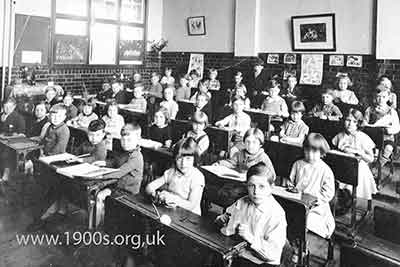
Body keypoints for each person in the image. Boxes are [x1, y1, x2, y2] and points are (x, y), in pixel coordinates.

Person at [216, 162, 287, 267]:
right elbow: (227, 216)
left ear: (271, 187)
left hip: (262, 262)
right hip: (240, 254)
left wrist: (250, 237)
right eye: (251, 186)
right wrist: (221, 220)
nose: (256, 192)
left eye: (262, 186)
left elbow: (273, 254)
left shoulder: (276, 214)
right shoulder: (242, 201)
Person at [95, 123, 144, 228]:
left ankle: (100, 225)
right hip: (119, 186)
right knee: (97, 193)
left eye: (129, 140)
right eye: (123, 140)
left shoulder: (136, 156)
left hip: (129, 192)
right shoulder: (125, 152)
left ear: (138, 140)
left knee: (100, 195)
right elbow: (115, 162)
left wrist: (100, 175)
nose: (125, 143)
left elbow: (119, 173)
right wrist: (104, 163)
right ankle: (100, 222)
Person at [288, 133, 335, 238]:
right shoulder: (298, 164)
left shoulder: (325, 170)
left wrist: (316, 200)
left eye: (314, 151)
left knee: (305, 220)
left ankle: (302, 243)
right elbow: (291, 181)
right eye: (307, 150)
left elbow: (328, 193)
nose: (310, 154)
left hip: (316, 205)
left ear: (321, 152)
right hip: (297, 200)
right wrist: (291, 187)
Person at [146, 137, 205, 215]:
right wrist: (155, 194)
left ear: (195, 159)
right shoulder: (172, 172)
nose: (183, 164)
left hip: (189, 216)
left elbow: (191, 205)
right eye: (179, 159)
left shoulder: (197, 177)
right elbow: (149, 187)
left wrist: (172, 198)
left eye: (188, 159)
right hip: (172, 211)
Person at [332, 109, 376, 200]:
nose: (350, 124)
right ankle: (339, 197)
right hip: (343, 163)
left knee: (352, 178)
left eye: (354, 121)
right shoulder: (340, 135)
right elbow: (335, 148)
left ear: (358, 123)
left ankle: (348, 196)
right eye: (348, 120)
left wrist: (360, 153)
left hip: (358, 166)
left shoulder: (362, 137)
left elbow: (371, 159)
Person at [364, 85, 400, 168]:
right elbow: (365, 122)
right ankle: (368, 166)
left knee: (388, 149)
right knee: (368, 148)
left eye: (383, 97)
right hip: (371, 136)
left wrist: (389, 130)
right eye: (378, 97)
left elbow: (397, 127)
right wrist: (367, 125)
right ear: (375, 98)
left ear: (388, 98)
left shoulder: (391, 111)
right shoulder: (370, 109)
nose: (380, 100)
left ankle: (377, 167)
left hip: (386, 138)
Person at [0, 98, 26, 182]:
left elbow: (22, 134)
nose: (7, 109)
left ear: (14, 107)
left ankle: (6, 174)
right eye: (5, 107)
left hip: (11, 144)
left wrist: (8, 136)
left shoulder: (19, 118)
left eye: (10, 107)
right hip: (1, 141)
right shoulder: (1, 116)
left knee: (6, 152)